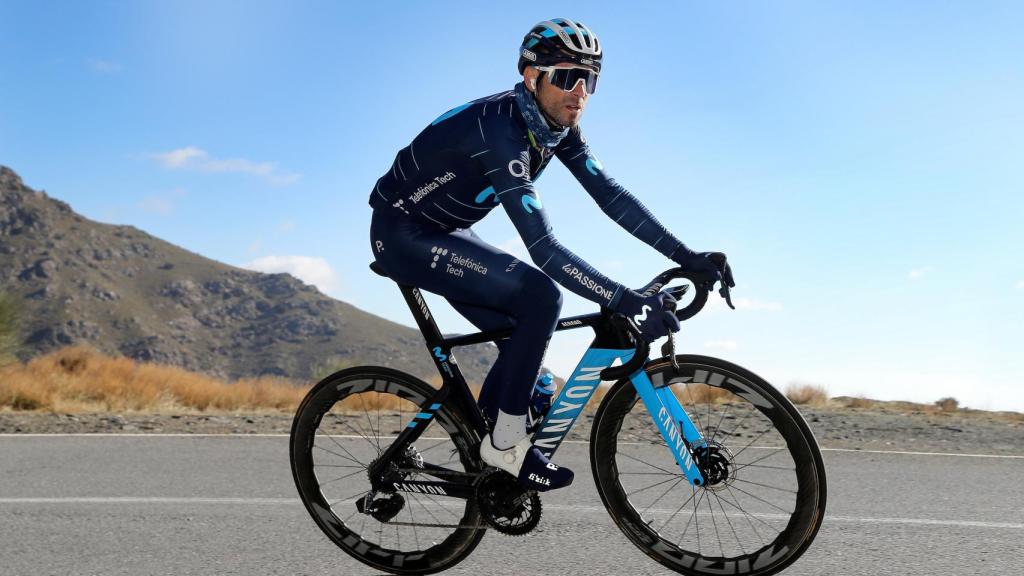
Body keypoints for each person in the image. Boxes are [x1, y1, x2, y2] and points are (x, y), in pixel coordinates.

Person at [368, 18, 734, 492]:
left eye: (590, 80)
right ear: (531, 77)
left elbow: (611, 197)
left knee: (529, 364)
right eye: (567, 76)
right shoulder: (500, 132)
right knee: (541, 296)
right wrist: (625, 300)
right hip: (404, 236)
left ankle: (487, 461)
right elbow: (544, 248)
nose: (579, 91)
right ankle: (505, 445)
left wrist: (688, 255)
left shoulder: (555, 126)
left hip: (448, 231)